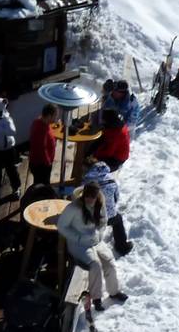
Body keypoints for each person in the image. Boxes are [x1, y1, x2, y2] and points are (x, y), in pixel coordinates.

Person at [57, 182, 128, 312]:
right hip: (79, 244)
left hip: (96, 241)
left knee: (109, 262)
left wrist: (98, 233)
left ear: (97, 197)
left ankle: (114, 292)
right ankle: (96, 298)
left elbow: (104, 222)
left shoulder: (100, 205)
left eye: (92, 197)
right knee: (95, 265)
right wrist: (78, 237)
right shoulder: (73, 208)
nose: (89, 199)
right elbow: (62, 226)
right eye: (87, 196)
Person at [82, 160, 133, 257]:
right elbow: (116, 197)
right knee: (118, 220)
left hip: (90, 217)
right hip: (108, 217)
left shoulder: (86, 182)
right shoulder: (111, 180)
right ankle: (122, 247)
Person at [28, 104, 58, 186]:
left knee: (40, 184)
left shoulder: (42, 122)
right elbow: (42, 149)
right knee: (42, 186)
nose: (56, 118)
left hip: (41, 163)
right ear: (49, 116)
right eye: (55, 116)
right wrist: (48, 164)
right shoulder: (40, 129)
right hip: (41, 166)